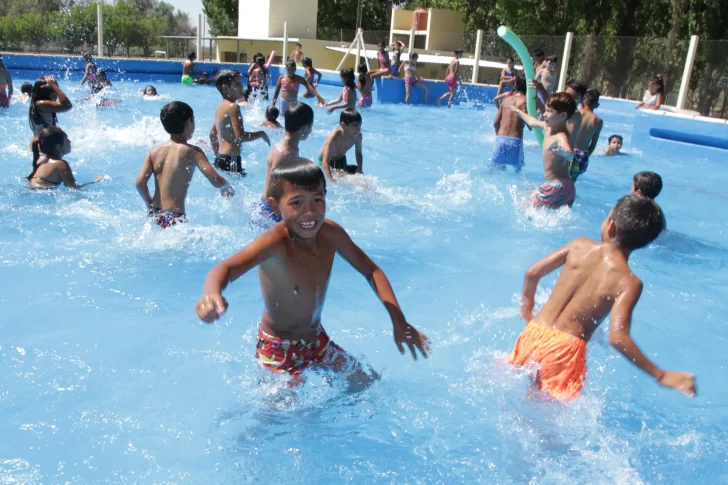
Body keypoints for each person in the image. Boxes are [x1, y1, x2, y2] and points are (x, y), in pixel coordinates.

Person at [195, 158, 432, 379]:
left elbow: (372, 271)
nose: (309, 212)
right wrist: (211, 293)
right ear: (275, 206)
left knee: (366, 380)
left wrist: (398, 319)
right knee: (282, 415)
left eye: (317, 200)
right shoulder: (274, 243)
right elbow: (225, 268)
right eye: (296, 203)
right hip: (278, 347)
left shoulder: (332, 234)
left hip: (317, 339)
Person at [510, 195, 696, 400]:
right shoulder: (629, 282)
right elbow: (618, 338)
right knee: (545, 413)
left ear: (611, 226)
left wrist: (526, 310)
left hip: (534, 331)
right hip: (564, 350)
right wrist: (660, 375)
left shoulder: (579, 245)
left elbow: (532, 273)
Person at [136, 101, 235, 228]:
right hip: (174, 217)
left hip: (155, 215)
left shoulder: (154, 151)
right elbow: (216, 180)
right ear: (189, 122)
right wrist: (227, 188)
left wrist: (149, 203)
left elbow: (140, 183)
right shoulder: (192, 151)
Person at [509, 92, 577, 209]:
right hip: (568, 187)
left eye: (549, 111)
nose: (544, 114)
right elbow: (532, 122)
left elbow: (570, 153)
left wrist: (565, 153)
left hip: (555, 186)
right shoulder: (547, 127)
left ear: (563, 116)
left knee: (526, 207)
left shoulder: (560, 135)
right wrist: (518, 111)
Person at [257, 103, 314, 228]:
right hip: (271, 211)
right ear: (305, 127)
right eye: (310, 127)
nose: (311, 131)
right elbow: (273, 188)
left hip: (270, 207)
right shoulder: (284, 153)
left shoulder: (286, 148)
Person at [210, 70, 271, 175]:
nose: (241, 86)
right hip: (232, 159)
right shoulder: (233, 107)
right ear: (225, 88)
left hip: (221, 158)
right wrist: (261, 134)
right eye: (237, 84)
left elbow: (212, 134)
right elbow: (240, 137)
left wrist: (219, 156)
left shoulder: (220, 106)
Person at [27, 127, 104, 190]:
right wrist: (94, 182)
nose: (70, 141)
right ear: (58, 147)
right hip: (39, 193)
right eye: (67, 139)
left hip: (29, 189)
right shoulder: (60, 164)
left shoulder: (40, 160)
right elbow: (74, 188)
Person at [28, 76, 73, 164]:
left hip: (46, 148)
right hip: (47, 150)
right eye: (54, 88)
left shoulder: (38, 105)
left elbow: (35, 135)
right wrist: (54, 85)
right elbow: (67, 105)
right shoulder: (41, 104)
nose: (57, 92)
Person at [491, 76, 527, 171]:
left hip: (501, 139)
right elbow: (531, 125)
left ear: (515, 85)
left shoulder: (506, 99)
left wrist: (499, 136)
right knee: (517, 170)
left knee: (496, 168)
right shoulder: (526, 101)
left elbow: (496, 123)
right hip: (516, 140)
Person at [569, 88, 603, 182]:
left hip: (569, 151)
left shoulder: (575, 113)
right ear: (597, 105)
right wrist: (586, 156)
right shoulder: (598, 121)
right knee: (571, 182)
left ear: (581, 101)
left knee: (561, 181)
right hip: (583, 155)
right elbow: (593, 144)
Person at [318, 108, 363, 180]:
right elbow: (325, 161)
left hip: (341, 161)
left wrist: (359, 168)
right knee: (342, 177)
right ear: (343, 125)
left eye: (360, 125)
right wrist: (331, 179)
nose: (359, 129)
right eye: (355, 125)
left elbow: (358, 153)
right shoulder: (334, 137)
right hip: (327, 162)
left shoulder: (358, 136)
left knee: (359, 175)